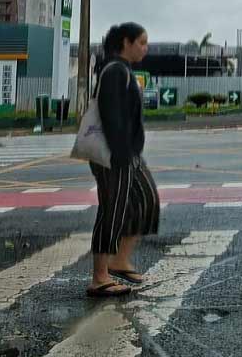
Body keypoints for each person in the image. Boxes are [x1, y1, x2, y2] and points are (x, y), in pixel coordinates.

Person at [87, 22, 160, 298]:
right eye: (141, 42)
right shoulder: (115, 70)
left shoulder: (124, 70)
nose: (145, 48)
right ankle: (99, 277)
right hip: (114, 155)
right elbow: (110, 116)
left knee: (147, 200)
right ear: (126, 43)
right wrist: (120, 155)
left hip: (128, 153)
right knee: (112, 209)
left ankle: (120, 260)